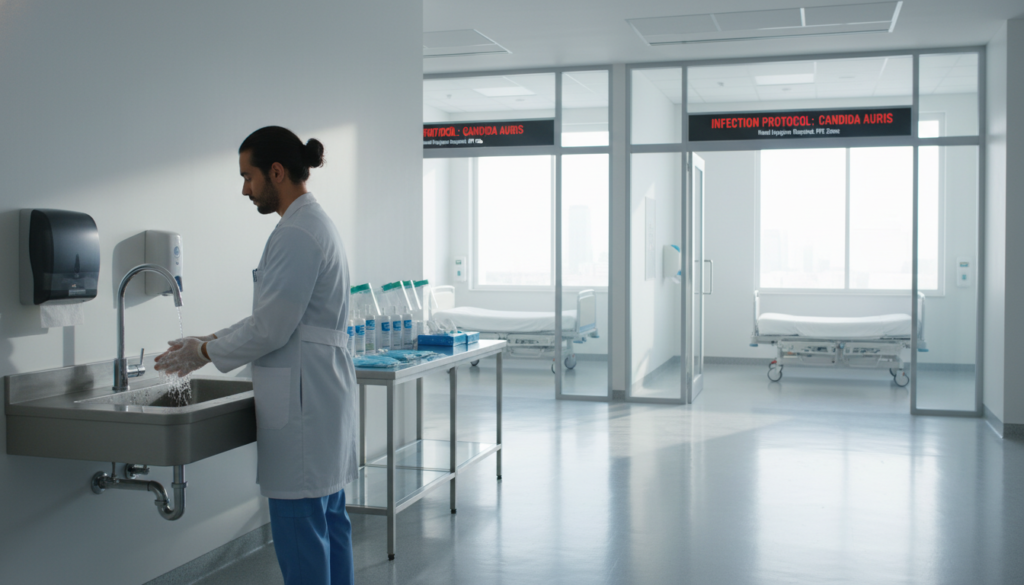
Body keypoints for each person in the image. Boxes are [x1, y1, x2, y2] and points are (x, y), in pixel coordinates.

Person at [155, 126, 357, 585]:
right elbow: (278, 317)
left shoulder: (296, 234)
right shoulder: (315, 224)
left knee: (302, 537)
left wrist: (204, 351)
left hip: (305, 408)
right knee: (330, 525)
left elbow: (271, 327)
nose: (245, 189)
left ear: (277, 172)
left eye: (248, 176)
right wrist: (209, 340)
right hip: (321, 399)